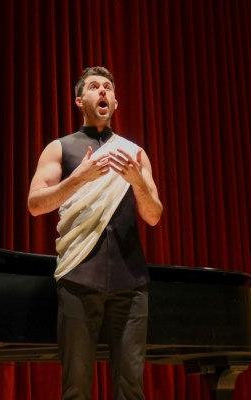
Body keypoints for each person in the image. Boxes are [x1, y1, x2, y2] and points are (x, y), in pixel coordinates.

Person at [27, 66, 163, 400]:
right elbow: (35, 204)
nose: (102, 91)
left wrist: (137, 183)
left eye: (107, 87)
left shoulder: (134, 153)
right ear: (79, 100)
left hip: (130, 282)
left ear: (115, 102)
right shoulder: (60, 148)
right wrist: (78, 179)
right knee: (76, 388)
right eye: (93, 87)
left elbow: (154, 215)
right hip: (78, 278)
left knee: (131, 389)